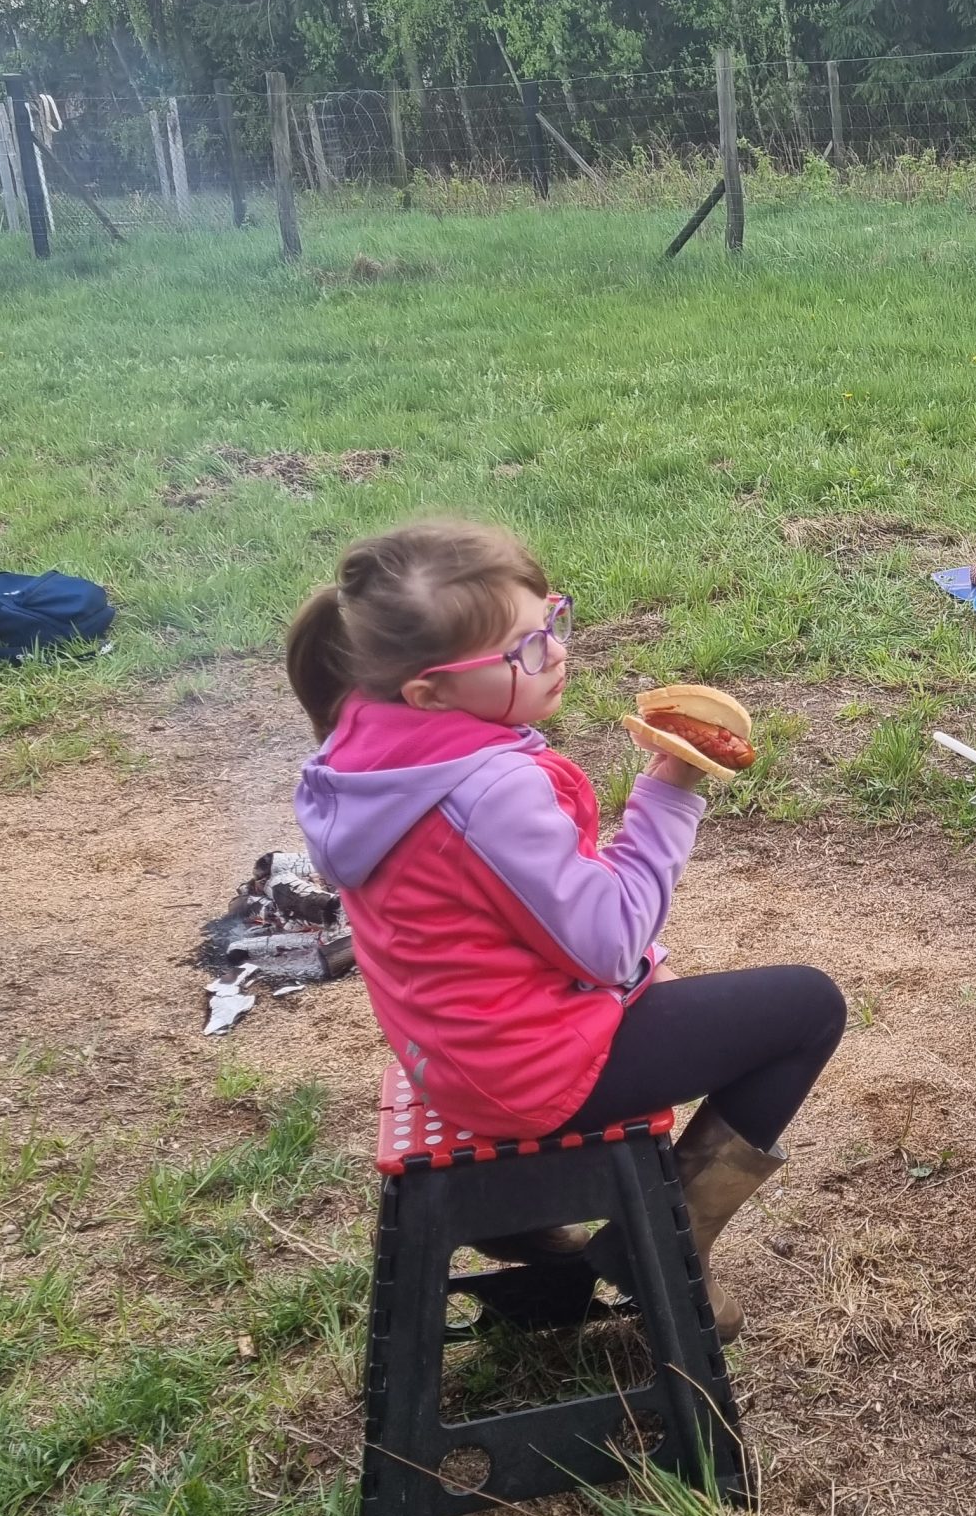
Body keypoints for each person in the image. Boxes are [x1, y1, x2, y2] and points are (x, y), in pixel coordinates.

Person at [288, 520, 845, 1340]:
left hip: (453, 1054)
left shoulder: (370, 750)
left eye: (550, 619)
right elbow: (610, 941)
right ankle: (663, 1248)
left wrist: (636, 963)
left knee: (703, 995)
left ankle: (524, 1220)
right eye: (521, 648)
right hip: (524, 1073)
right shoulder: (487, 793)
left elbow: (504, 920)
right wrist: (671, 790)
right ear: (430, 690)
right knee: (808, 1008)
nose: (553, 651)